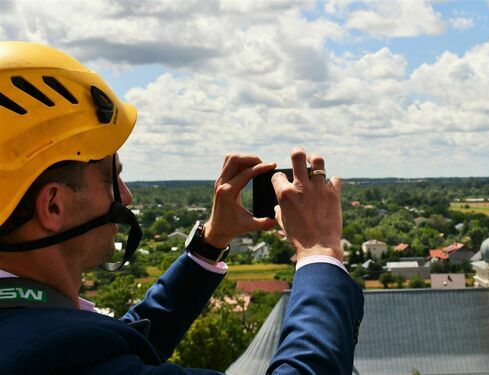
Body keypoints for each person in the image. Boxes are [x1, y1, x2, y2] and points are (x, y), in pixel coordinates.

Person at [0, 42, 363, 374]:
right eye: (110, 180)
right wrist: (320, 253)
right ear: (53, 205)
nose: (125, 197)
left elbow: (124, 346)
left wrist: (210, 243)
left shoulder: (32, 332)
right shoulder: (52, 355)